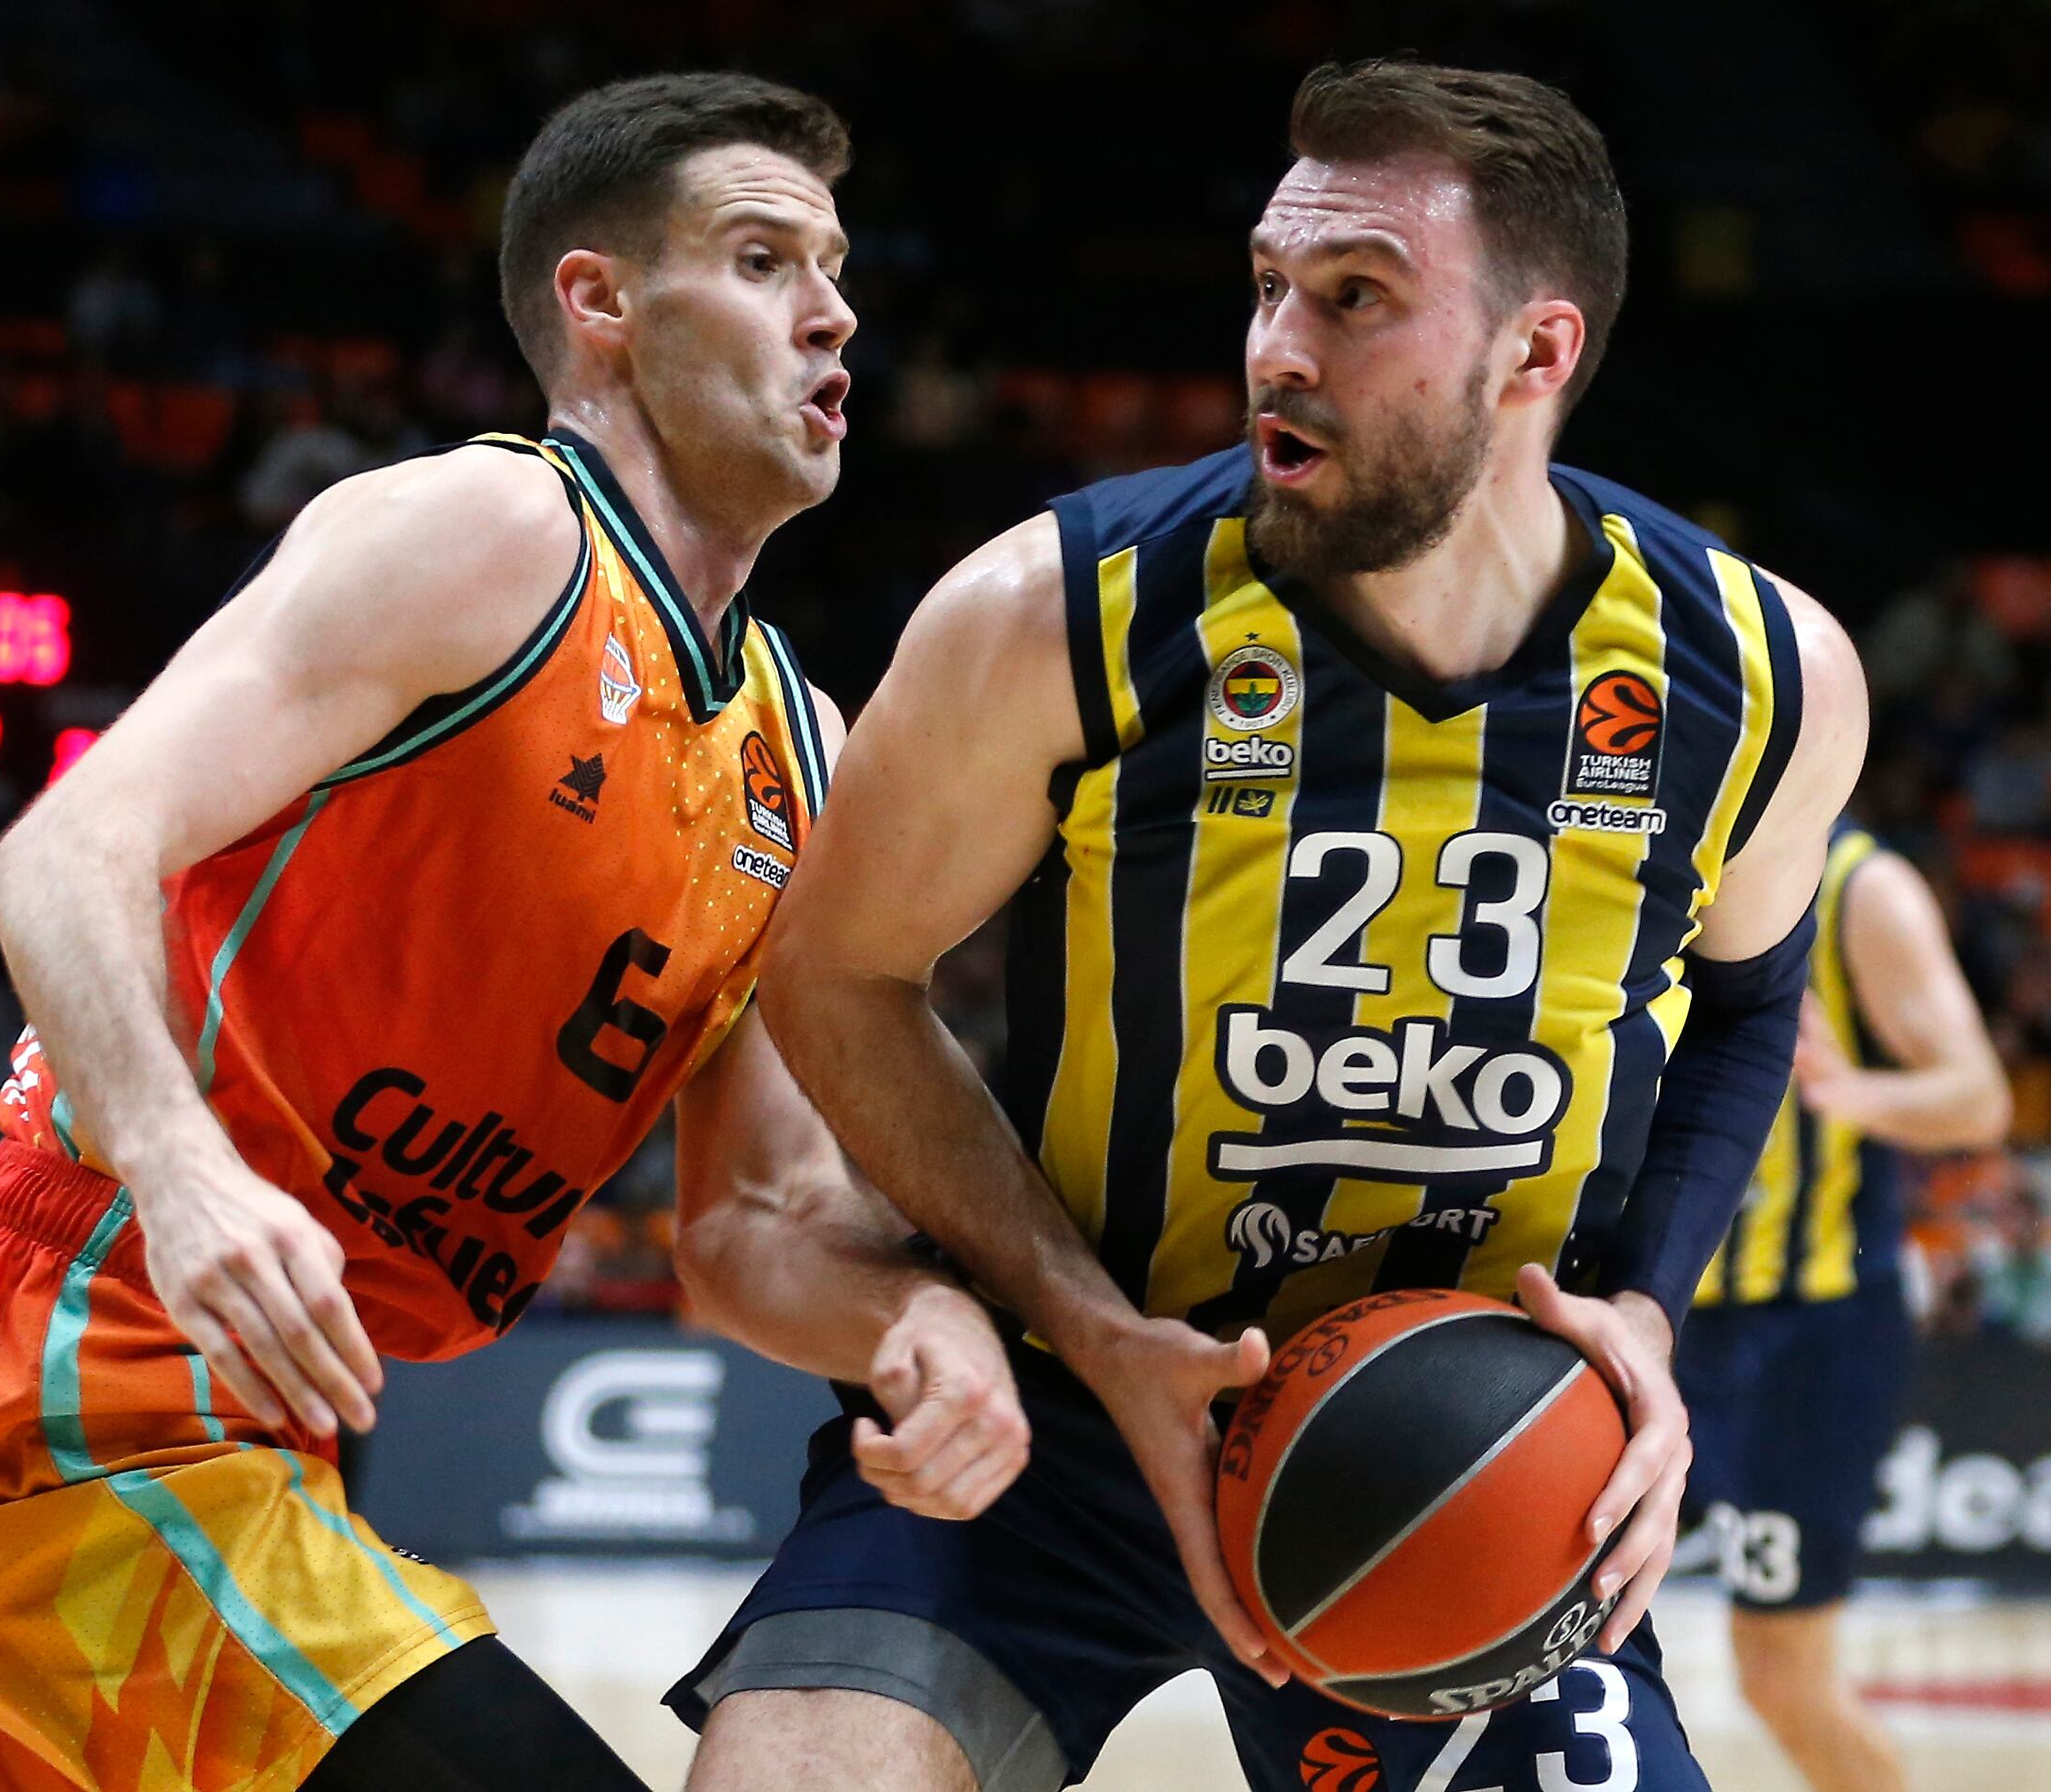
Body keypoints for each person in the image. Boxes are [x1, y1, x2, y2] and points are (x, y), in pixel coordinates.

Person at [669, 59, 1870, 1792]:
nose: (1275, 349)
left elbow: (1750, 1006)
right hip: (1058, 1413)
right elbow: (839, 974)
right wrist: (1086, 1326)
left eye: (1353, 297)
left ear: (1532, 355)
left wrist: (1645, 1319)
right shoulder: (1054, 611)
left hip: (1460, 1438)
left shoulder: (1754, 670)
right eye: (1267, 287)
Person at [0, 73, 1024, 1792]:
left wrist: (918, 1325)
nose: (832, 312)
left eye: (835, 269)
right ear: (597, 302)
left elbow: (746, 1222)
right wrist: (180, 1165)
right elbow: (63, 852)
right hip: (60, 1375)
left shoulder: (799, 744)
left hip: (279, 1427)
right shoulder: (491, 534)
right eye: (762, 260)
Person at [1683, 821, 2010, 1792]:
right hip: (1647, 1312)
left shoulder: (1861, 887)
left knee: (1781, 1679)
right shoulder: (1632, 845)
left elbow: (1978, 1099)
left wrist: (1844, 1089)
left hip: (1804, 1335)